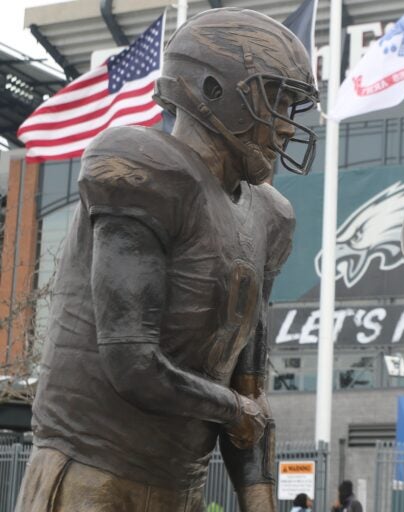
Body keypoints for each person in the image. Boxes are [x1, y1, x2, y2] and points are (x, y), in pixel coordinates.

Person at [15, 8, 318, 512]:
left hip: (182, 488)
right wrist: (234, 408)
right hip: (95, 475)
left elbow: (250, 398)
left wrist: (258, 498)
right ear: (212, 88)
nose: (286, 126)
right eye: (276, 100)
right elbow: (132, 363)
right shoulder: (142, 167)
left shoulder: (268, 215)